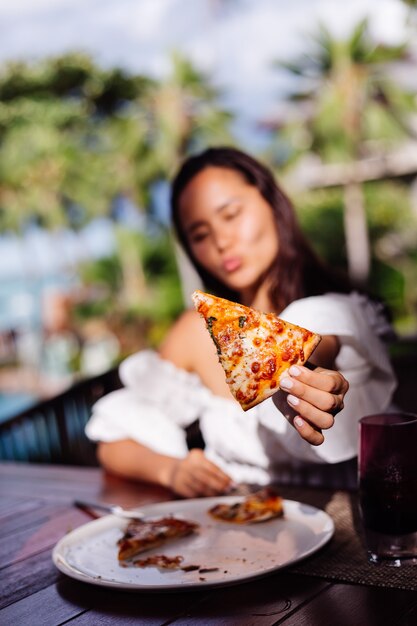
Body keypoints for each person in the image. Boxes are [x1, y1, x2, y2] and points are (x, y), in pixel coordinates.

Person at [86, 147, 396, 496]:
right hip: (241, 533)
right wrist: (172, 471)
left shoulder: (339, 309)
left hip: (359, 528)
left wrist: (302, 373)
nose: (221, 241)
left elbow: (316, 343)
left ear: (271, 202)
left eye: (231, 214)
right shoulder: (197, 333)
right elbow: (111, 441)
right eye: (200, 235)